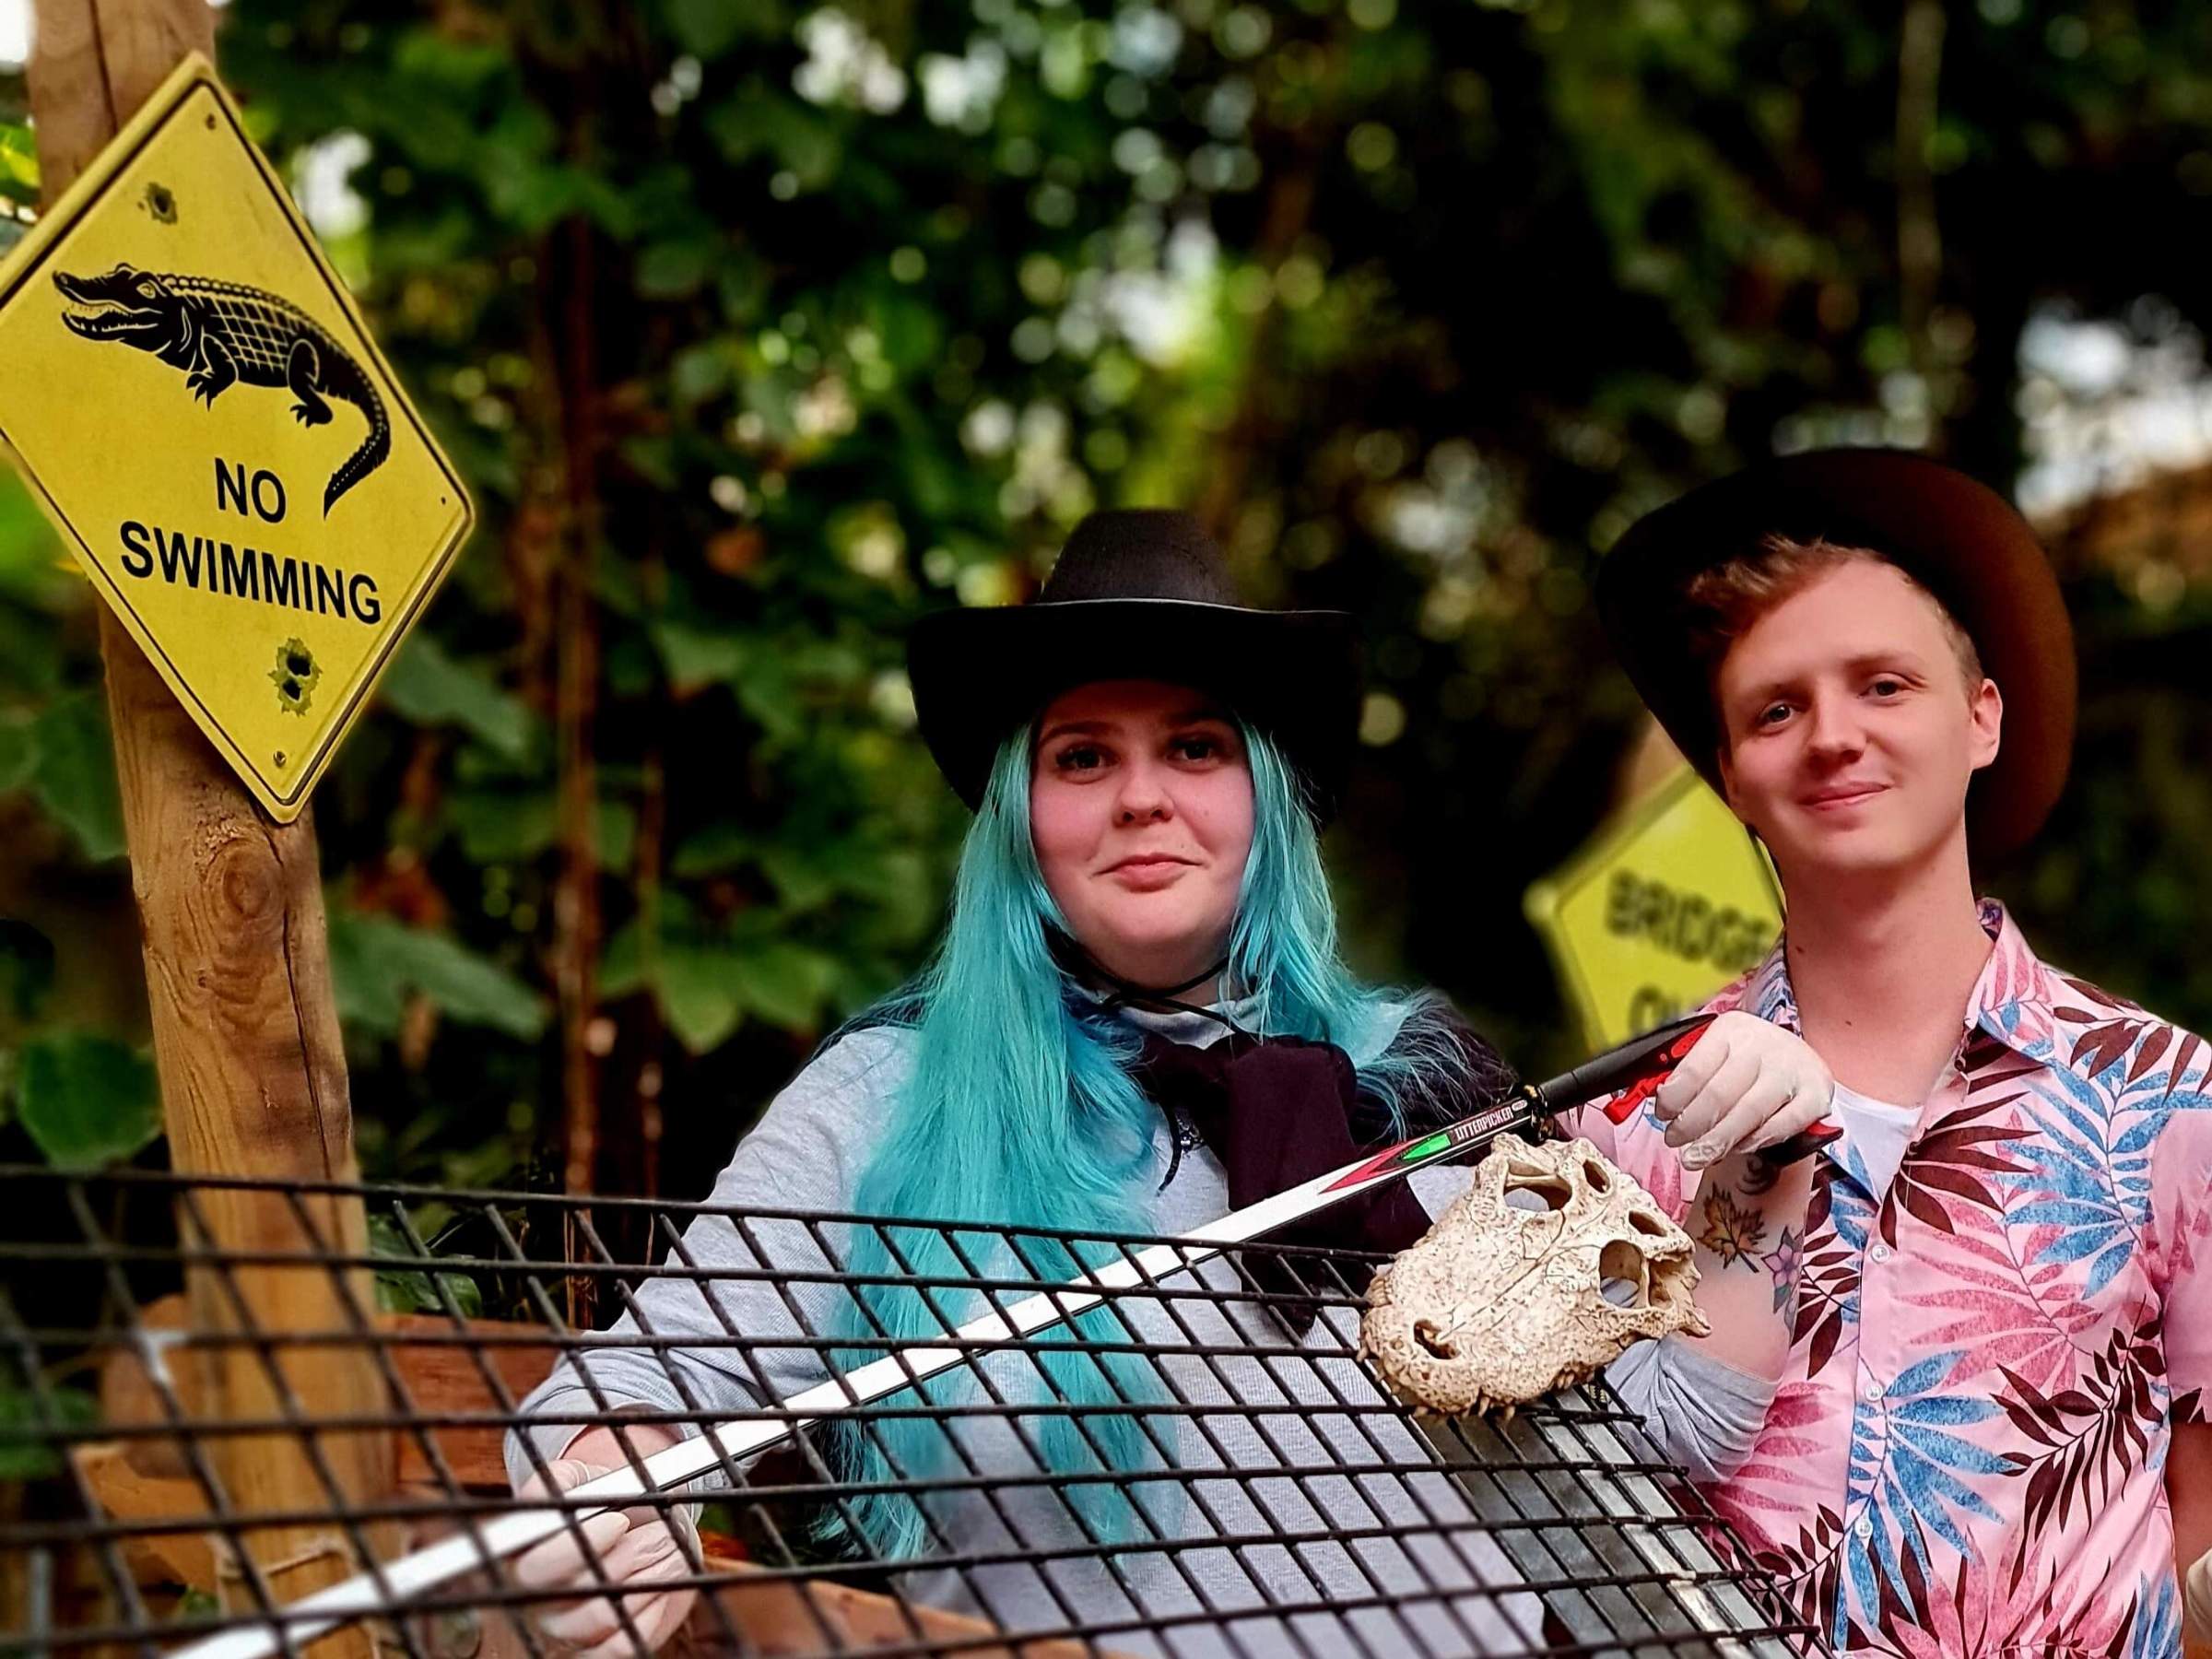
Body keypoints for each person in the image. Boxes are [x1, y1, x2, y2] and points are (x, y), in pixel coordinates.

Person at [501, 510, 1535, 1658]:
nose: (1141, 797)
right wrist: (605, 1493)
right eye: (1082, 756)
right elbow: (641, 1382)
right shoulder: (886, 1096)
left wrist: (1756, 1173)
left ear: (1265, 802)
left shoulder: (1435, 1076)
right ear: (1022, 822)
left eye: (1196, 747)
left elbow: (1659, 1431)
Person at [1583, 448, 2212, 1653]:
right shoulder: (1618, 1126)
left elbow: (2205, 1538)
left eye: (1883, 685)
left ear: (1981, 720)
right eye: (1777, 708)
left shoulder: (2172, 1099)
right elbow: (1586, 1522)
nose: (1831, 737)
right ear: (1731, 775)